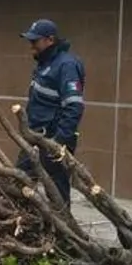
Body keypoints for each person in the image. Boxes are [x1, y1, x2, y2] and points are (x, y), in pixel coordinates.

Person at [18, 18, 86, 207]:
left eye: (34, 41)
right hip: (34, 137)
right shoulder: (44, 64)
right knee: (18, 183)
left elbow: (74, 106)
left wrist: (59, 142)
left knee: (57, 192)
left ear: (50, 40)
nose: (31, 46)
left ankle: (64, 230)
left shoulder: (67, 65)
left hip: (53, 140)